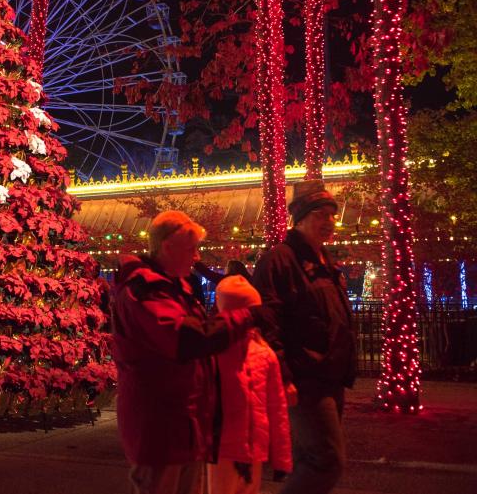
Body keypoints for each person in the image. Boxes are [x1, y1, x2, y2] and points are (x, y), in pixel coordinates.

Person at [110, 210, 271, 494]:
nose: (196, 257)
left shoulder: (172, 288)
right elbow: (185, 339)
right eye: (191, 249)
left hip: (182, 424)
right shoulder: (145, 292)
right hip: (160, 426)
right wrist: (246, 316)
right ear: (168, 247)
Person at [252, 180, 356, 494]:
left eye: (331, 215)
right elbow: (268, 323)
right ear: (299, 219)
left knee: (309, 458)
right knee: (326, 459)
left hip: (330, 374)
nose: (328, 222)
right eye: (320, 215)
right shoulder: (279, 260)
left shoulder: (324, 261)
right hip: (306, 377)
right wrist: (284, 375)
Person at [211, 275, 292, 494]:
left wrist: (282, 458)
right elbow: (277, 411)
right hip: (225, 450)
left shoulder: (264, 354)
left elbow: (277, 409)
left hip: (249, 450)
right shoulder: (215, 353)